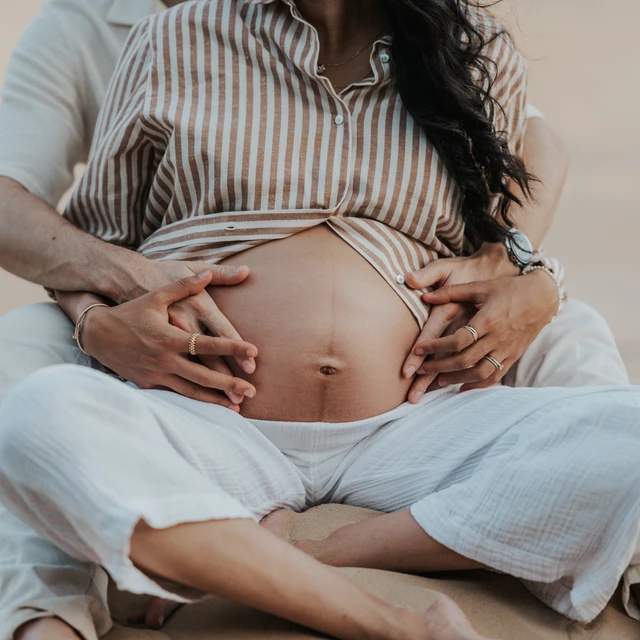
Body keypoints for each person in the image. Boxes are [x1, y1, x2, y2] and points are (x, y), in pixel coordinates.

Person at [1, 1, 639, 640]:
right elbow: (94, 242)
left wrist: (538, 281)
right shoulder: (172, 36)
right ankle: (394, 628)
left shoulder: (475, 49)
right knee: (38, 414)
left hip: (417, 428)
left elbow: (501, 247)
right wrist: (93, 322)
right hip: (211, 417)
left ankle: (319, 553)